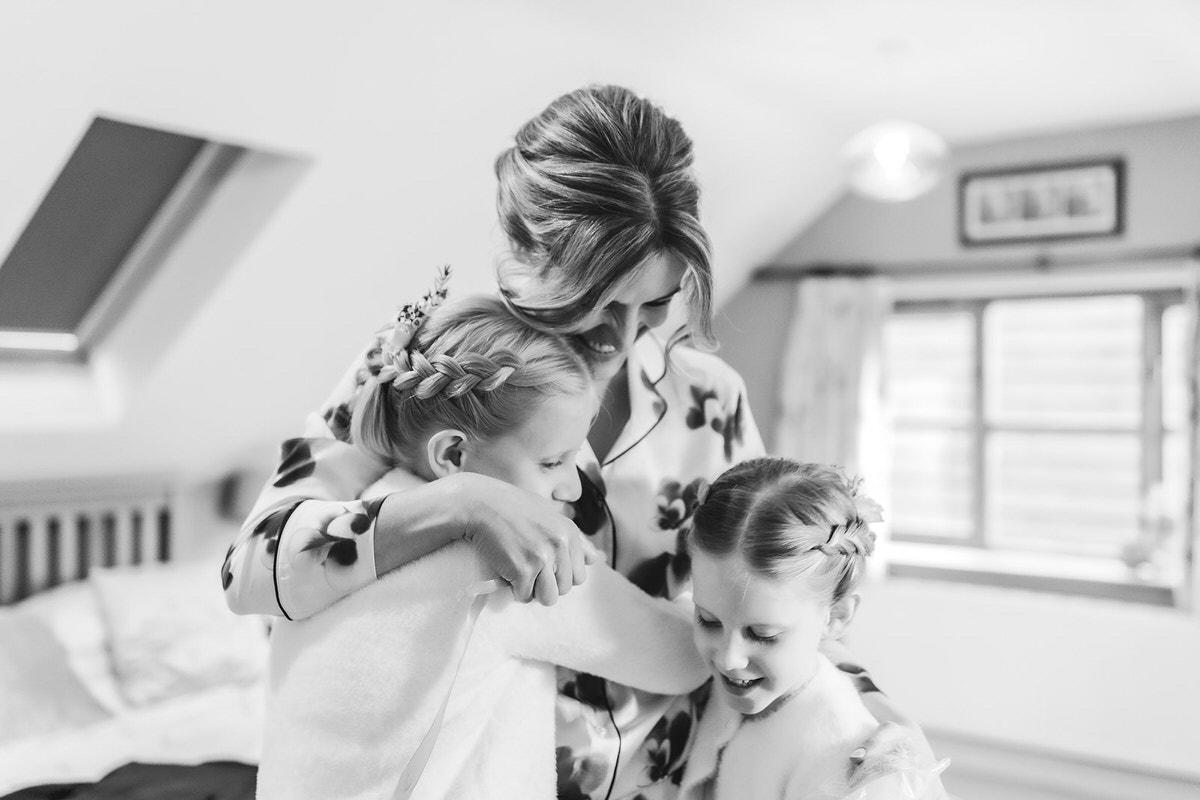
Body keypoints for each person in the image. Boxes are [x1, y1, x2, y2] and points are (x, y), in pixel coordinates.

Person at [223, 84, 926, 799]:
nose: (621, 339)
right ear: (526, 257)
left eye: (654, 303)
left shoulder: (711, 402)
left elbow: (777, 590)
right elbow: (252, 566)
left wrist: (864, 708)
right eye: (596, 302)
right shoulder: (431, 375)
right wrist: (462, 504)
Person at [257, 285, 711, 799]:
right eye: (552, 462)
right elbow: (684, 659)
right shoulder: (508, 558)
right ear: (453, 455)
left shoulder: (345, 532)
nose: (573, 486)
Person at [677, 458, 949, 800]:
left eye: (762, 634)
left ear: (835, 617)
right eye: (707, 620)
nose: (729, 658)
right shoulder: (751, 692)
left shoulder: (844, 762)